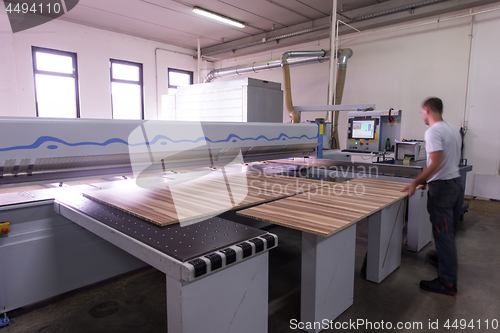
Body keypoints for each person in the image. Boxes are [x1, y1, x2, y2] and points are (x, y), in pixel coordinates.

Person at [403, 97, 463, 296]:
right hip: (455, 184)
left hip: (443, 190)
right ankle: (444, 259)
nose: (422, 115)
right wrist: (425, 180)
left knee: (442, 233)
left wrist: (415, 182)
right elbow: (445, 162)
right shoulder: (452, 130)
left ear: (426, 110)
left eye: (421, 112)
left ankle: (447, 282)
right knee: (448, 231)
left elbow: (435, 163)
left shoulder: (433, 132)